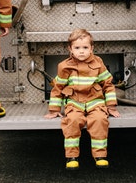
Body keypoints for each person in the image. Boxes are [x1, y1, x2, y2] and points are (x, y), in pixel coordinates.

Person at [44, 28, 120, 170]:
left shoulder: (98, 63)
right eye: (77, 48)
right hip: (74, 102)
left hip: (95, 101)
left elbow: (108, 85)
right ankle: (71, 157)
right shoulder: (64, 66)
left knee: (99, 121)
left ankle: (100, 155)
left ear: (92, 48)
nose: (81, 51)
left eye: (85, 47)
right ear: (70, 49)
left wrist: (111, 106)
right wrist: (54, 109)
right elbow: (58, 88)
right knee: (72, 122)